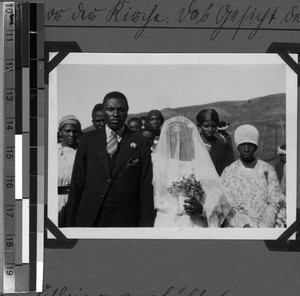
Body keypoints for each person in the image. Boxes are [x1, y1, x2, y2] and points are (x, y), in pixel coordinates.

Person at [65, 91, 155, 227]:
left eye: (121, 110)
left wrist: (145, 226)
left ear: (127, 111)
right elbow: (77, 184)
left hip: (127, 218)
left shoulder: (139, 141)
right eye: (110, 109)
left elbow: (145, 188)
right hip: (92, 217)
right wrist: (70, 224)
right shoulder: (88, 140)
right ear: (103, 110)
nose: (115, 114)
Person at [152, 116, 231, 228]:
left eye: (182, 135)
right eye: (173, 136)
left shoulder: (200, 165)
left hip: (192, 223)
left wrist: (203, 209)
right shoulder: (156, 163)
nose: (178, 139)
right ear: (166, 138)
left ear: (189, 137)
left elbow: (219, 200)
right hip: (164, 223)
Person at [220, 124, 286, 228]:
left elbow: (274, 201)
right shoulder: (229, 172)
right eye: (242, 145)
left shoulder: (267, 169)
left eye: (250, 145)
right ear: (238, 146)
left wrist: (264, 227)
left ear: (255, 147)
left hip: (265, 226)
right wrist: (244, 225)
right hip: (238, 228)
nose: (246, 149)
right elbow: (226, 205)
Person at [57, 115, 81, 227]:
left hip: (78, 200)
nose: (71, 134)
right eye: (67, 131)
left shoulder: (84, 151)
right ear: (60, 133)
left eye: (75, 131)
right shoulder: (53, 152)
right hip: (58, 200)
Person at [196, 108, 234, 176]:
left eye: (213, 126)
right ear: (200, 125)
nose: (210, 129)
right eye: (206, 126)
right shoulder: (193, 144)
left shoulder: (222, 146)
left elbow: (228, 169)